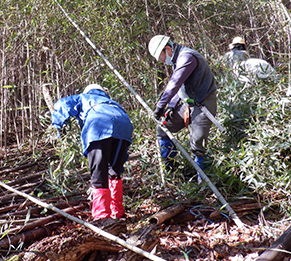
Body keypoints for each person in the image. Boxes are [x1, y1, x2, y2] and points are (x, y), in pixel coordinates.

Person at [50, 84, 133, 220]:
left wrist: (57, 125)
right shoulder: (112, 102)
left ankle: (102, 216)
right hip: (124, 126)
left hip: (99, 126)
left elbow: (63, 104)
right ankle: (117, 212)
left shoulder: (85, 97)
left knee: (99, 172)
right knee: (114, 171)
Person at [148, 35, 217, 180]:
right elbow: (181, 87)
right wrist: (171, 106)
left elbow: (175, 83)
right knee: (163, 129)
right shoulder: (177, 59)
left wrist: (160, 106)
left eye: (161, 58)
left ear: (167, 49)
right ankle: (172, 172)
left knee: (197, 142)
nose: (163, 62)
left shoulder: (187, 57)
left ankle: (205, 183)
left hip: (203, 105)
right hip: (188, 105)